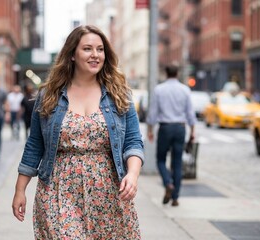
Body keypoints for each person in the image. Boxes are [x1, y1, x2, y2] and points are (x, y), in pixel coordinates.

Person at [12, 25, 144, 239]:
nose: (95, 55)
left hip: (108, 191)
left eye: (100, 49)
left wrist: (132, 175)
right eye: (88, 49)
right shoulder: (49, 95)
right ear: (72, 54)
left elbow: (133, 141)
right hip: (58, 190)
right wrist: (20, 190)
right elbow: (35, 144)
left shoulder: (119, 94)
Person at [146, 65, 197, 207]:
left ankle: (168, 183)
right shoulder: (185, 90)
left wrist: (150, 129)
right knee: (177, 163)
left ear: (166, 73)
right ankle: (175, 198)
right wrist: (192, 132)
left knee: (161, 160)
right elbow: (190, 114)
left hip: (165, 128)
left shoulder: (159, 90)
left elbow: (153, 112)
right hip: (180, 128)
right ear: (178, 73)